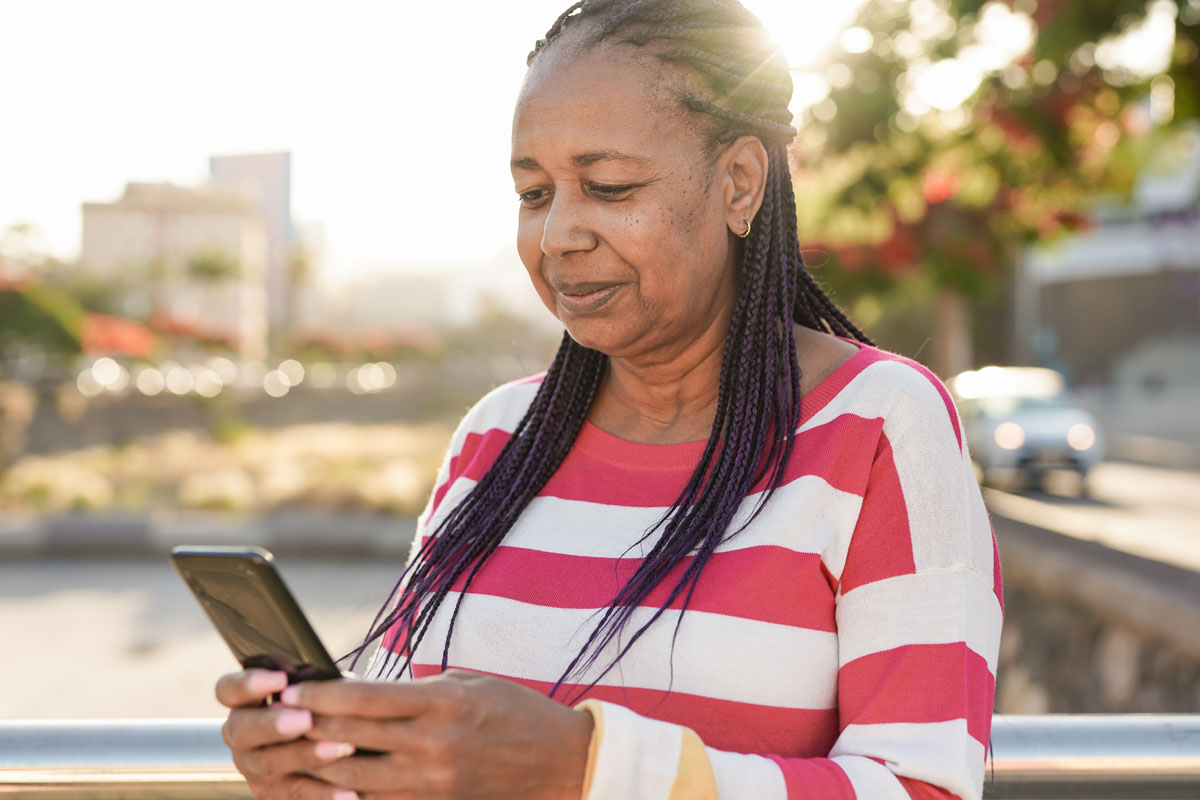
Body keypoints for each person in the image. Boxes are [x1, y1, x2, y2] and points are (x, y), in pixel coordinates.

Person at [216, 1, 1003, 797]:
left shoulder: (876, 426)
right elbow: (421, 754)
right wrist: (328, 765)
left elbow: (924, 786)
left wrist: (585, 769)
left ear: (738, 184)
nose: (558, 233)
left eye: (608, 185)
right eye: (533, 193)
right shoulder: (497, 437)